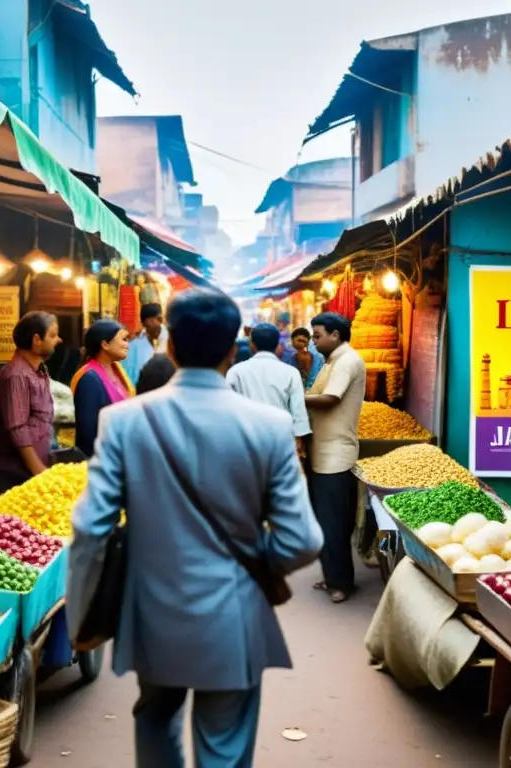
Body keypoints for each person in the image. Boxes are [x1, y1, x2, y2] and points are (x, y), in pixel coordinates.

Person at [67, 288, 323, 768]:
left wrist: (83, 622)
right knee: (224, 746)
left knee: (156, 718)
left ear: (169, 346)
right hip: (235, 614)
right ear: (232, 350)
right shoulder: (269, 426)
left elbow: (89, 531)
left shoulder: (121, 422)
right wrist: (253, 566)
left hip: (153, 610)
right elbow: (303, 539)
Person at [305, 312, 367, 603]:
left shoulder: (348, 361)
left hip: (335, 455)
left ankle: (341, 583)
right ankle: (332, 576)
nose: (313, 341)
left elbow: (330, 399)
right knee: (323, 520)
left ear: (336, 335)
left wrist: (291, 397)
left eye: (318, 335)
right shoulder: (331, 362)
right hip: (321, 451)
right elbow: (315, 394)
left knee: (335, 523)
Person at [0, 311, 60, 500]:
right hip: (11, 475)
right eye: (52, 335)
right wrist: (38, 470)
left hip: (29, 473)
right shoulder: (17, 375)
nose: (58, 340)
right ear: (36, 340)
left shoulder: (39, 371)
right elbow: (17, 428)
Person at [227, 323, 311, 450]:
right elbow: (298, 411)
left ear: (252, 345)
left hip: (247, 440)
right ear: (277, 345)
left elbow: (230, 409)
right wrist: (299, 440)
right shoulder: (291, 372)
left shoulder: (236, 371)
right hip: (281, 440)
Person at [70, 319, 135, 457]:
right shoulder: (89, 378)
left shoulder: (117, 371)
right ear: (105, 344)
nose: (127, 345)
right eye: (124, 339)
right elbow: (88, 434)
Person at [123, 303, 168, 388]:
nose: (161, 322)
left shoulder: (168, 339)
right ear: (145, 323)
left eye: (161, 319)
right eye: (158, 319)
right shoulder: (134, 346)